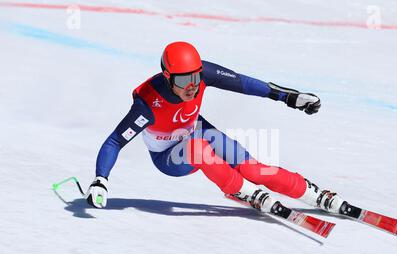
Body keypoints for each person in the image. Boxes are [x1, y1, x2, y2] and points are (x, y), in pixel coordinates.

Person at [86, 41, 346, 215]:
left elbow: (243, 84)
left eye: (196, 77)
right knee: (199, 149)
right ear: (167, 77)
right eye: (184, 80)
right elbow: (114, 142)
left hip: (196, 131)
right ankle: (243, 191)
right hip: (168, 157)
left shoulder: (201, 74)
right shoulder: (148, 104)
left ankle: (313, 194)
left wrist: (286, 97)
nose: (193, 86)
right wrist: (101, 180)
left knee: (254, 169)